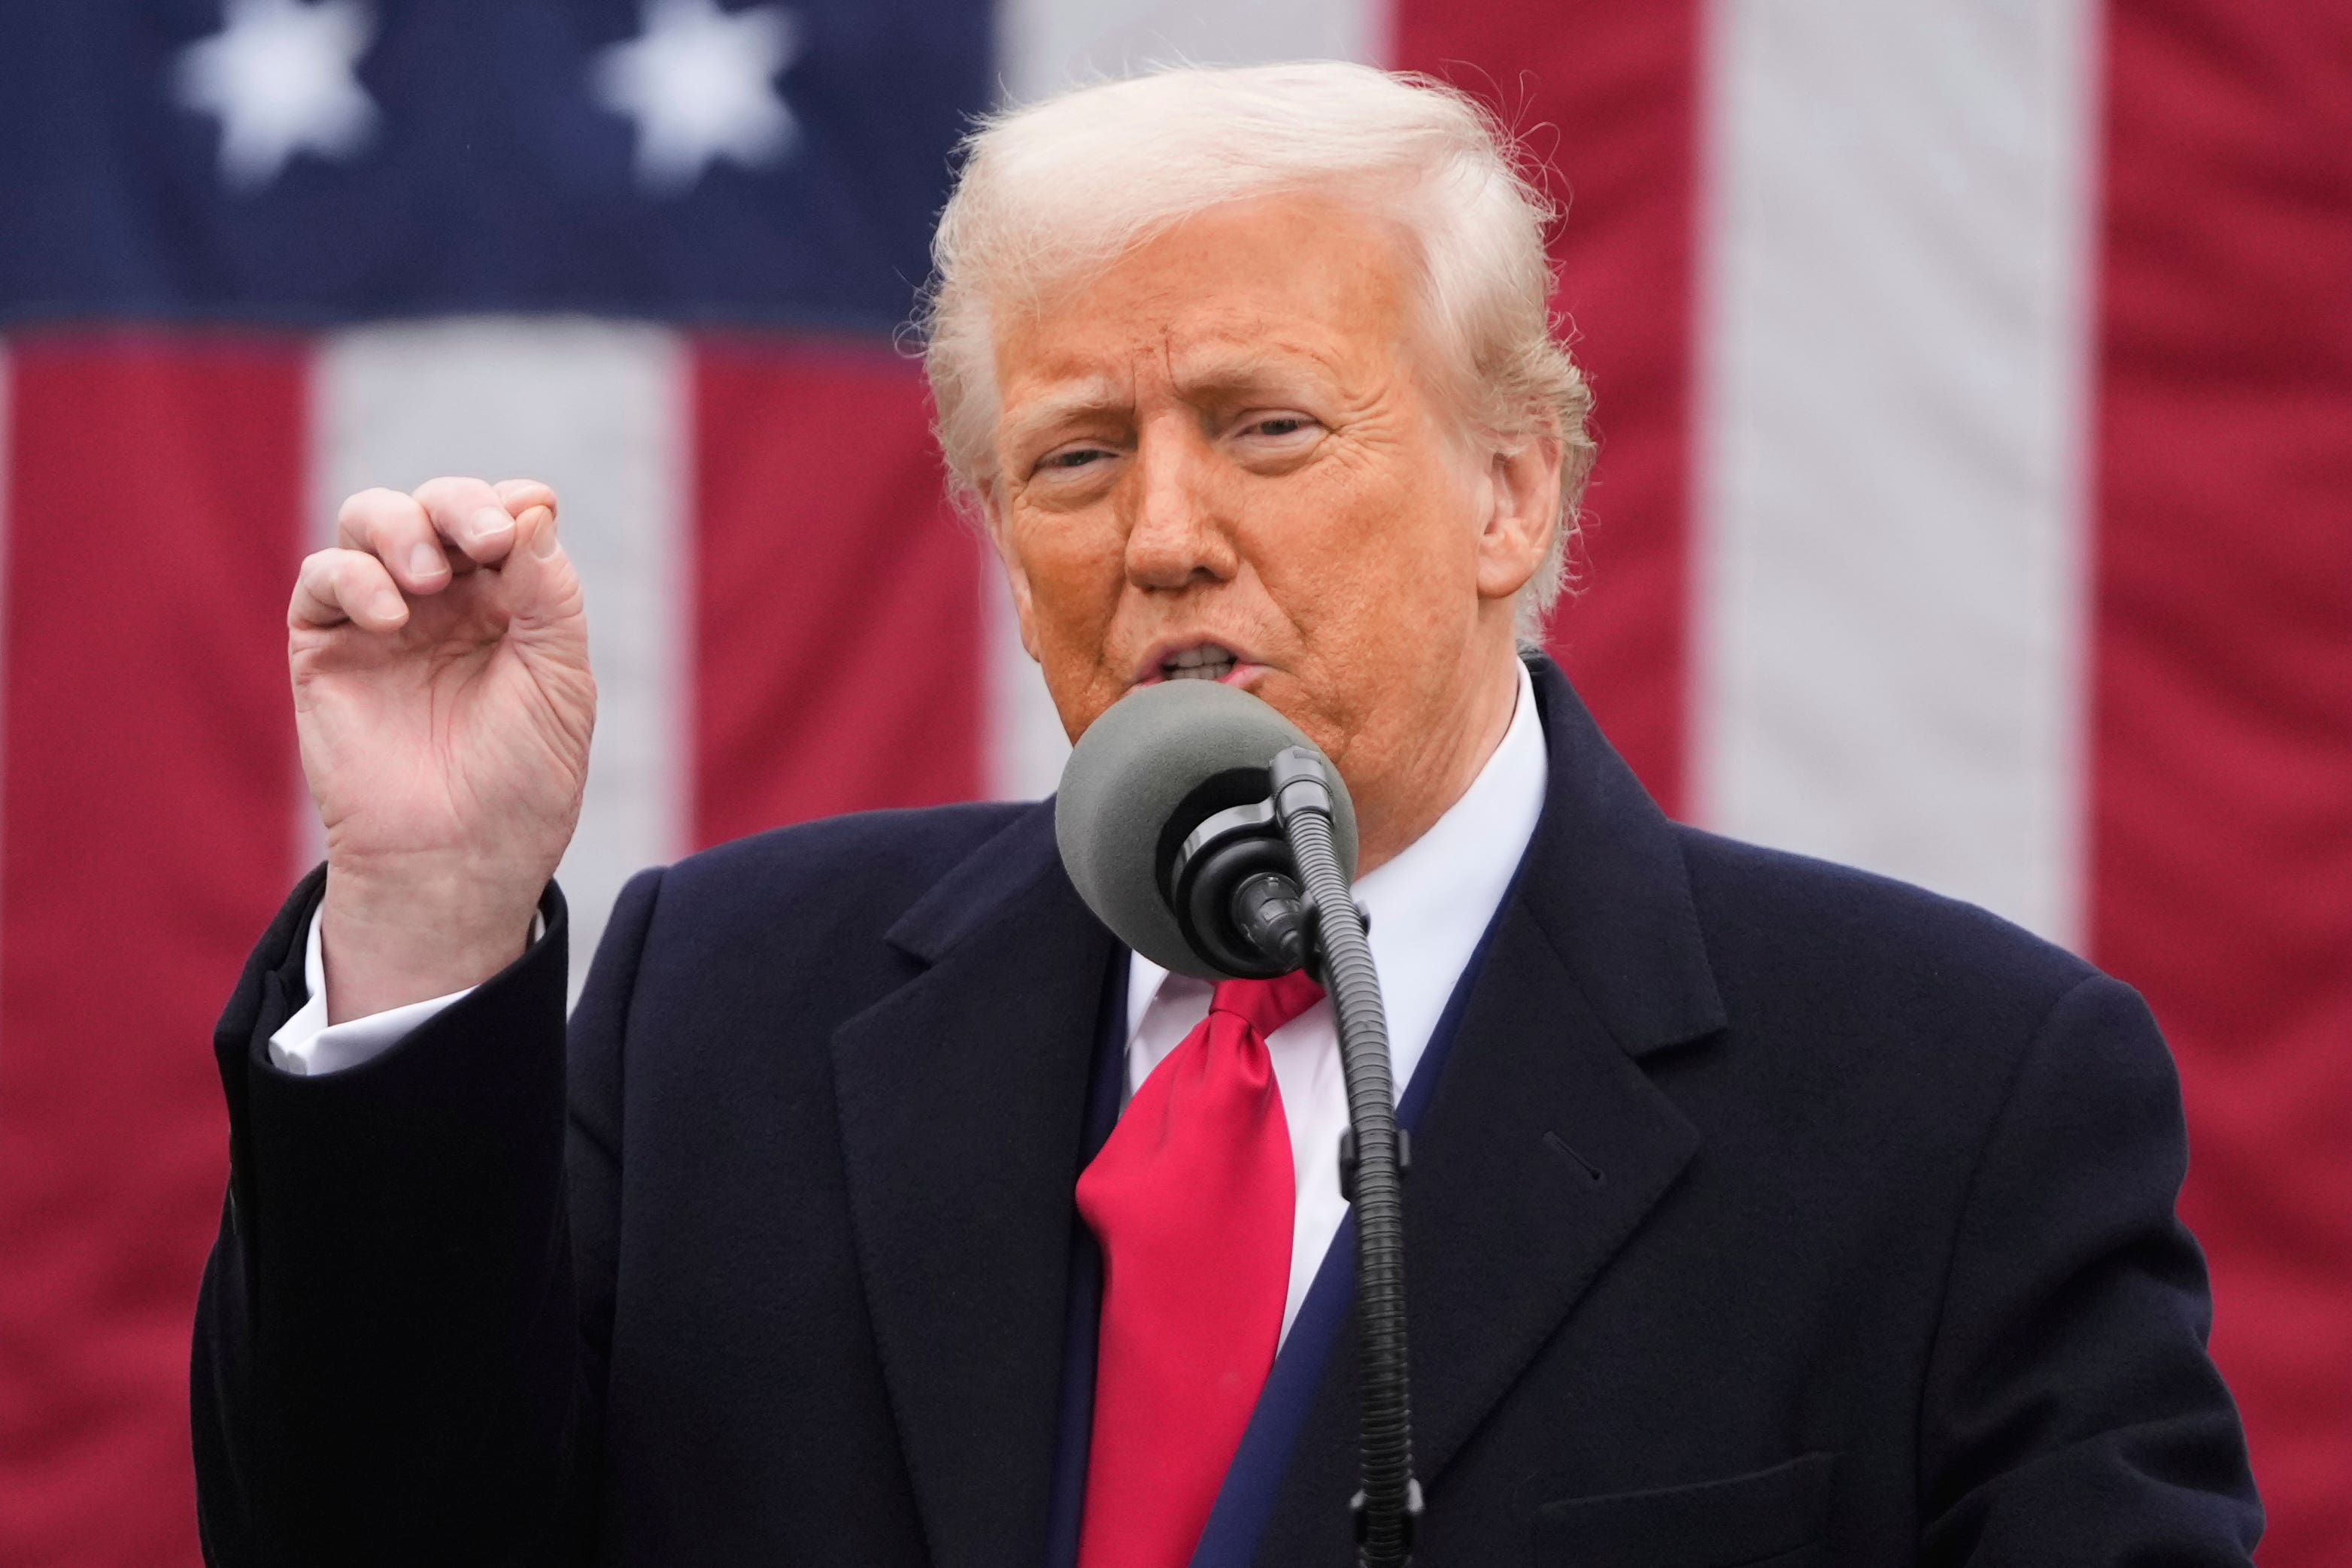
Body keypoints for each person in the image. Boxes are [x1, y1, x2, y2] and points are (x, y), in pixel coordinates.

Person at [191, 63, 2260, 1567]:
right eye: (1078, 459)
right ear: (1003, 541)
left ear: (1511, 489)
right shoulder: (721, 1003)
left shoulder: (1956, 1097)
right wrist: (440, 912)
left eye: (1267, 428)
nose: (1167, 537)